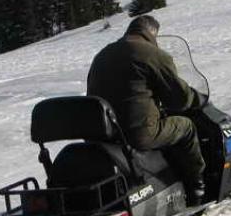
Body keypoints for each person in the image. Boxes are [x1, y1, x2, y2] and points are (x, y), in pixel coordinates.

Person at [87, 15, 206, 205]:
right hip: (138, 134)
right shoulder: (152, 54)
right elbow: (180, 99)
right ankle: (196, 187)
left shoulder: (103, 54)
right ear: (152, 33)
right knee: (187, 127)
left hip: (104, 135)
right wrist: (196, 97)